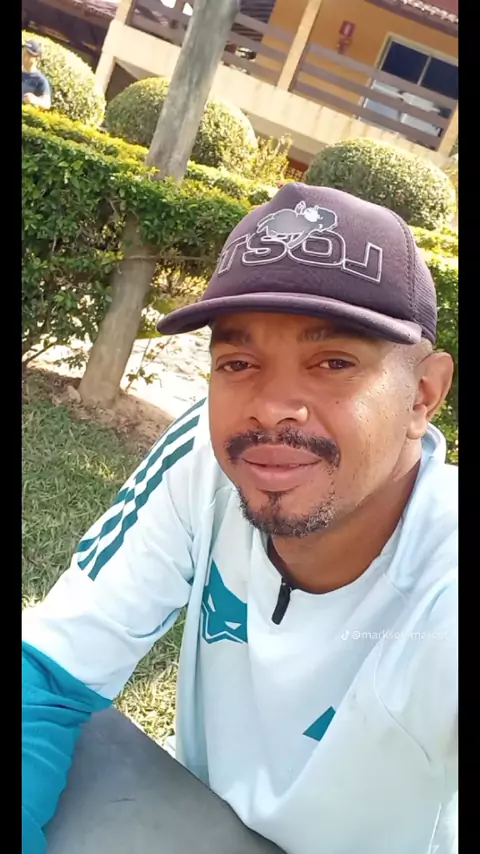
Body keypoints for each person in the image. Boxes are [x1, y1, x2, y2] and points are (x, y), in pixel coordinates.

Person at [22, 183, 458, 854]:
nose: (272, 407)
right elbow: (47, 672)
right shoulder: (207, 457)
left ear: (422, 394)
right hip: (192, 822)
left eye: (333, 362)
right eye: (239, 362)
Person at [22, 39, 51, 110]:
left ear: (37, 58)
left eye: (28, 54)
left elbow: (47, 104)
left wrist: (34, 100)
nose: (23, 56)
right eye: (23, 52)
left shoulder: (40, 80)